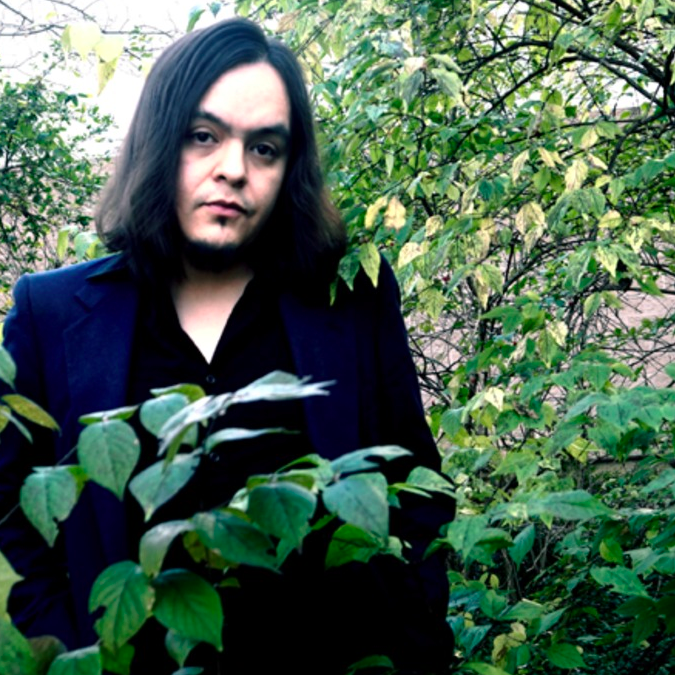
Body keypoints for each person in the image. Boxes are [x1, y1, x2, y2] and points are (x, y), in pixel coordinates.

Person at [0, 18, 454, 674]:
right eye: (204, 136)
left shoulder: (352, 301)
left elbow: (416, 491)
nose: (234, 170)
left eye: (265, 148)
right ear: (159, 142)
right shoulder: (51, 313)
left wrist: (413, 646)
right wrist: (75, 649)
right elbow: (13, 510)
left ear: (289, 167)